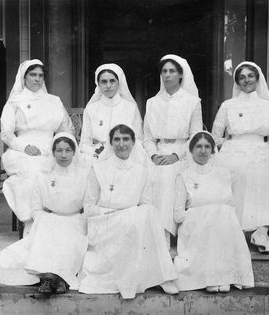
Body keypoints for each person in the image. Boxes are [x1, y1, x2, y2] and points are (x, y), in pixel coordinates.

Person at [79, 124, 178, 299]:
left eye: (126, 139)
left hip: (132, 224)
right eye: (116, 139)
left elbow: (145, 205)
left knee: (150, 211)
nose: (121, 144)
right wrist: (116, 214)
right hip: (105, 225)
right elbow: (89, 208)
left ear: (133, 143)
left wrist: (128, 216)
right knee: (142, 215)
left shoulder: (141, 172)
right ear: (111, 143)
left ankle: (163, 276)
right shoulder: (99, 169)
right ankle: (160, 276)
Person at [211, 61, 269, 253]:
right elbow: (215, 136)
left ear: (257, 78)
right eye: (242, 77)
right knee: (237, 173)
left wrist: (266, 155)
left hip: (260, 152)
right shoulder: (228, 105)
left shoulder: (267, 106)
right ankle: (233, 232)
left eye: (250, 76)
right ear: (237, 81)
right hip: (234, 150)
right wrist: (228, 145)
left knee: (265, 174)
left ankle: (261, 231)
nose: (246, 80)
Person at [0, 132, 88, 294]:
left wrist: (81, 219)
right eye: (59, 150)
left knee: (67, 239)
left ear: (74, 152)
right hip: (50, 219)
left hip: (75, 220)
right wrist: (43, 217)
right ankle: (49, 279)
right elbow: (35, 206)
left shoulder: (83, 175)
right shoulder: (43, 175)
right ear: (52, 152)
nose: (63, 155)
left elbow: (89, 203)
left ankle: (60, 279)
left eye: (68, 150)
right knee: (47, 233)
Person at [173, 131, 254, 293]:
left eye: (207, 147)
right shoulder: (184, 176)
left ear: (212, 150)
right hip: (195, 225)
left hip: (220, 222)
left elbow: (229, 203)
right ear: (191, 150)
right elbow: (178, 212)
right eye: (199, 146)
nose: (203, 151)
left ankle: (223, 277)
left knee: (223, 213)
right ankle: (212, 278)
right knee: (214, 216)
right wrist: (199, 214)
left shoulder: (222, 173)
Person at [0, 59, 74, 234]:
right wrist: (25, 147)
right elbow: (7, 134)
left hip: (53, 149)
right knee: (34, 171)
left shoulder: (54, 101)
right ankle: (32, 222)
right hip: (23, 150)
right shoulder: (14, 102)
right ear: (23, 77)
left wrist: (61, 148)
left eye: (41, 75)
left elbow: (67, 129)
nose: (37, 79)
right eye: (32, 75)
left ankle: (60, 220)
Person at [143, 54, 203, 245]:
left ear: (180, 75)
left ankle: (165, 233)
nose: (167, 75)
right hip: (157, 152)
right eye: (164, 71)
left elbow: (196, 137)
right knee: (145, 176)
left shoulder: (192, 102)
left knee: (168, 177)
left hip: (183, 153)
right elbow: (148, 137)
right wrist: (152, 155)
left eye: (172, 71)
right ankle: (150, 233)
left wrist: (176, 155)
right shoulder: (152, 103)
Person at [80, 63, 143, 162]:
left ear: (119, 83)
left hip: (125, 158)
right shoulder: (91, 109)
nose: (108, 86)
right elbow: (84, 143)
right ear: (98, 84)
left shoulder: (131, 108)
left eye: (112, 81)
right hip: (97, 158)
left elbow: (138, 140)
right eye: (104, 82)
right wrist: (95, 154)